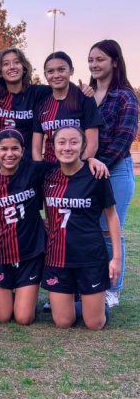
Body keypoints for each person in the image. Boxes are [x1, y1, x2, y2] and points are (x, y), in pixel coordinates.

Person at [42, 126, 119, 330]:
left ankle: (97, 307)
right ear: (54, 146)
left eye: (74, 142)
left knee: (94, 324)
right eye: (62, 142)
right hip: (57, 257)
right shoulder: (46, 175)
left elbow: (111, 216)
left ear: (84, 147)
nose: (67, 147)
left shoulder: (96, 174)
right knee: (63, 322)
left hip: (90, 256)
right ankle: (82, 302)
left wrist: (117, 258)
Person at [0, 129, 47, 324]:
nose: (9, 154)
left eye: (15, 148)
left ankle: (25, 300)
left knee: (23, 318)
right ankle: (16, 297)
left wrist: (91, 160)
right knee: (3, 317)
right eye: (3, 149)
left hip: (30, 252)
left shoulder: (34, 171)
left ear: (23, 151)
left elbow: (67, 167)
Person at [88, 39, 138, 307]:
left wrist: (98, 163)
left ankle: (113, 289)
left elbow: (124, 138)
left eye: (100, 60)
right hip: (89, 167)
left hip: (115, 168)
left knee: (109, 229)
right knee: (86, 227)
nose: (95, 65)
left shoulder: (125, 97)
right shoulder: (85, 94)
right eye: (91, 60)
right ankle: (89, 283)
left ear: (115, 62)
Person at [32, 51, 102, 163]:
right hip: (50, 172)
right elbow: (36, 148)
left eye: (61, 69)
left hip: (77, 172)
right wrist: (39, 169)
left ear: (71, 71)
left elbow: (92, 145)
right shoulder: (41, 104)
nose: (56, 75)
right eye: (50, 71)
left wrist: (79, 170)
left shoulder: (84, 98)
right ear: (45, 75)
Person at [0, 47, 51, 160]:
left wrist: (84, 89)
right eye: (6, 64)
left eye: (17, 62)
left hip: (26, 162)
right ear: (0, 72)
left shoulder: (38, 92)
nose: (12, 67)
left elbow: (62, 87)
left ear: (24, 68)